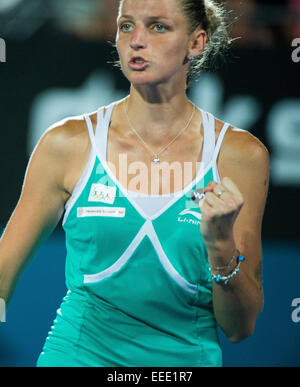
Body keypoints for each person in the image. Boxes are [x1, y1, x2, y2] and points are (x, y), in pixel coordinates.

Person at [0, 0, 269, 367]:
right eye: (126, 26)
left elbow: (240, 327)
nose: (136, 41)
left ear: (196, 42)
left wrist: (221, 244)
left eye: (158, 27)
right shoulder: (66, 143)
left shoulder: (242, 156)